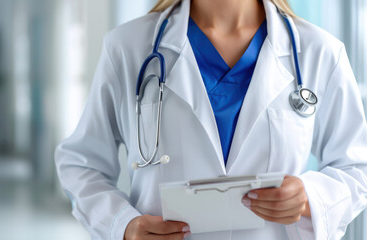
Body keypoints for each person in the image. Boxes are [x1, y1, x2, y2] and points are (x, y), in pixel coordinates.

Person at [55, 0, 367, 239]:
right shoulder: (128, 47)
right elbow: (81, 163)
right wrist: (122, 223)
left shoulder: (319, 52)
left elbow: (358, 166)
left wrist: (309, 198)